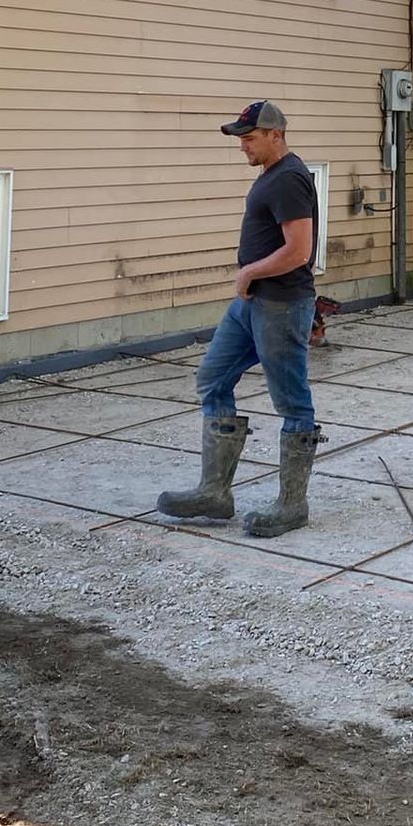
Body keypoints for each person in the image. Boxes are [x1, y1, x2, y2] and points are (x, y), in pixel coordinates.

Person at [157, 100, 323, 537]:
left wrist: (249, 271)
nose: (243, 147)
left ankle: (292, 505)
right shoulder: (271, 175)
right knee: (213, 379)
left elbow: (299, 251)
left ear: (276, 135)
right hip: (251, 304)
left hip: (282, 305)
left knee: (292, 400)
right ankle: (215, 492)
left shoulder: (289, 179)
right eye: (241, 139)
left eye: (249, 139)